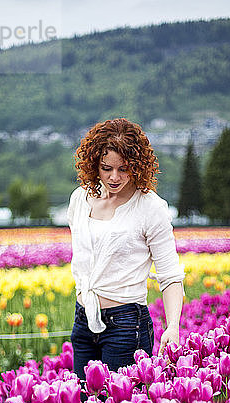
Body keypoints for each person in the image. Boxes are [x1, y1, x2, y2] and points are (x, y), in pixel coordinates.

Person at [67, 117, 185, 382]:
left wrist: (173, 326)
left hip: (126, 324)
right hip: (84, 318)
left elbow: (170, 275)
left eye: (123, 168)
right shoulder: (80, 200)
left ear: (137, 165)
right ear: (94, 163)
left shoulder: (150, 207)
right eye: (106, 168)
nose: (114, 177)